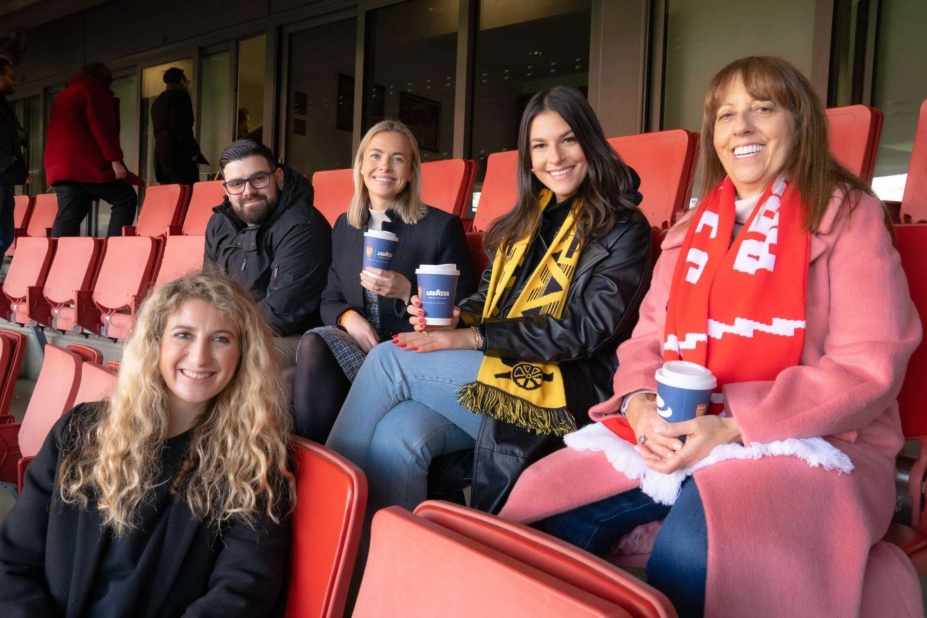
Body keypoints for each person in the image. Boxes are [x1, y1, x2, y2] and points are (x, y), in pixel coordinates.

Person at [499, 57, 923, 618]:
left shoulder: (849, 216)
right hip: (676, 428)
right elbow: (645, 344)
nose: (741, 127)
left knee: (697, 549)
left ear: (799, 123)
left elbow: (868, 368)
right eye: (726, 115)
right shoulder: (689, 230)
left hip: (808, 442)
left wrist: (731, 425)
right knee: (540, 521)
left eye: (762, 109)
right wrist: (642, 403)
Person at [326, 85, 652, 526]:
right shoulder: (523, 221)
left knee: (390, 360)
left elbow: (586, 330)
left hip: (565, 386)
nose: (554, 157)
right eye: (540, 145)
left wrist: (474, 335)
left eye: (567, 139)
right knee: (398, 434)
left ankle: (320, 512)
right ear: (528, 157)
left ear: (590, 142)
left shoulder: (622, 226)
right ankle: (370, 564)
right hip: (496, 366)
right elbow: (484, 300)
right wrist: (458, 317)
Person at [0, 270, 296, 617]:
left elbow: (241, 591)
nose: (199, 357)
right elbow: (13, 560)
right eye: (183, 335)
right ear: (155, 343)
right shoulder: (79, 430)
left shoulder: (255, 457)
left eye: (221, 339)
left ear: (243, 354)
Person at [292, 119, 474, 442]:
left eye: (398, 159)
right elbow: (330, 299)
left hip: (412, 353)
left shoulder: (440, 227)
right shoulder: (346, 227)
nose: (384, 167)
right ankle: (316, 465)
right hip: (364, 344)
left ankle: (333, 476)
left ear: (411, 171)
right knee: (314, 343)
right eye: (375, 156)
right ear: (361, 165)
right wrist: (350, 320)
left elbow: (463, 310)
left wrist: (407, 292)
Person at [205, 139, 332, 366]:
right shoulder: (218, 223)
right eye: (236, 184)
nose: (249, 191)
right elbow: (208, 290)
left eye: (258, 179)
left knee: (228, 358)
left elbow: (280, 315)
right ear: (226, 188)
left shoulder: (302, 226)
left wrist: (220, 335)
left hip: (293, 337)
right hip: (234, 329)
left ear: (279, 178)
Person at [44, 62, 142, 237]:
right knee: (125, 198)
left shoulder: (61, 96)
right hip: (84, 164)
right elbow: (103, 129)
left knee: (68, 217)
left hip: (60, 167)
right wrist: (115, 160)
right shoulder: (95, 91)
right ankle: (113, 249)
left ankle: (57, 260)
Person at [151, 67, 207, 185]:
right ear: (182, 81)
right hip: (178, 155)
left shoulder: (158, 101)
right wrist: (193, 151)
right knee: (188, 191)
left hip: (161, 155)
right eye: (187, 81)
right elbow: (181, 127)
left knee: (171, 195)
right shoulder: (180, 96)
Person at [0, 58, 26, 261]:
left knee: (5, 235)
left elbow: (18, 133)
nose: (14, 81)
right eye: (11, 76)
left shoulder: (4, 104)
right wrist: (8, 159)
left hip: (5, 178)